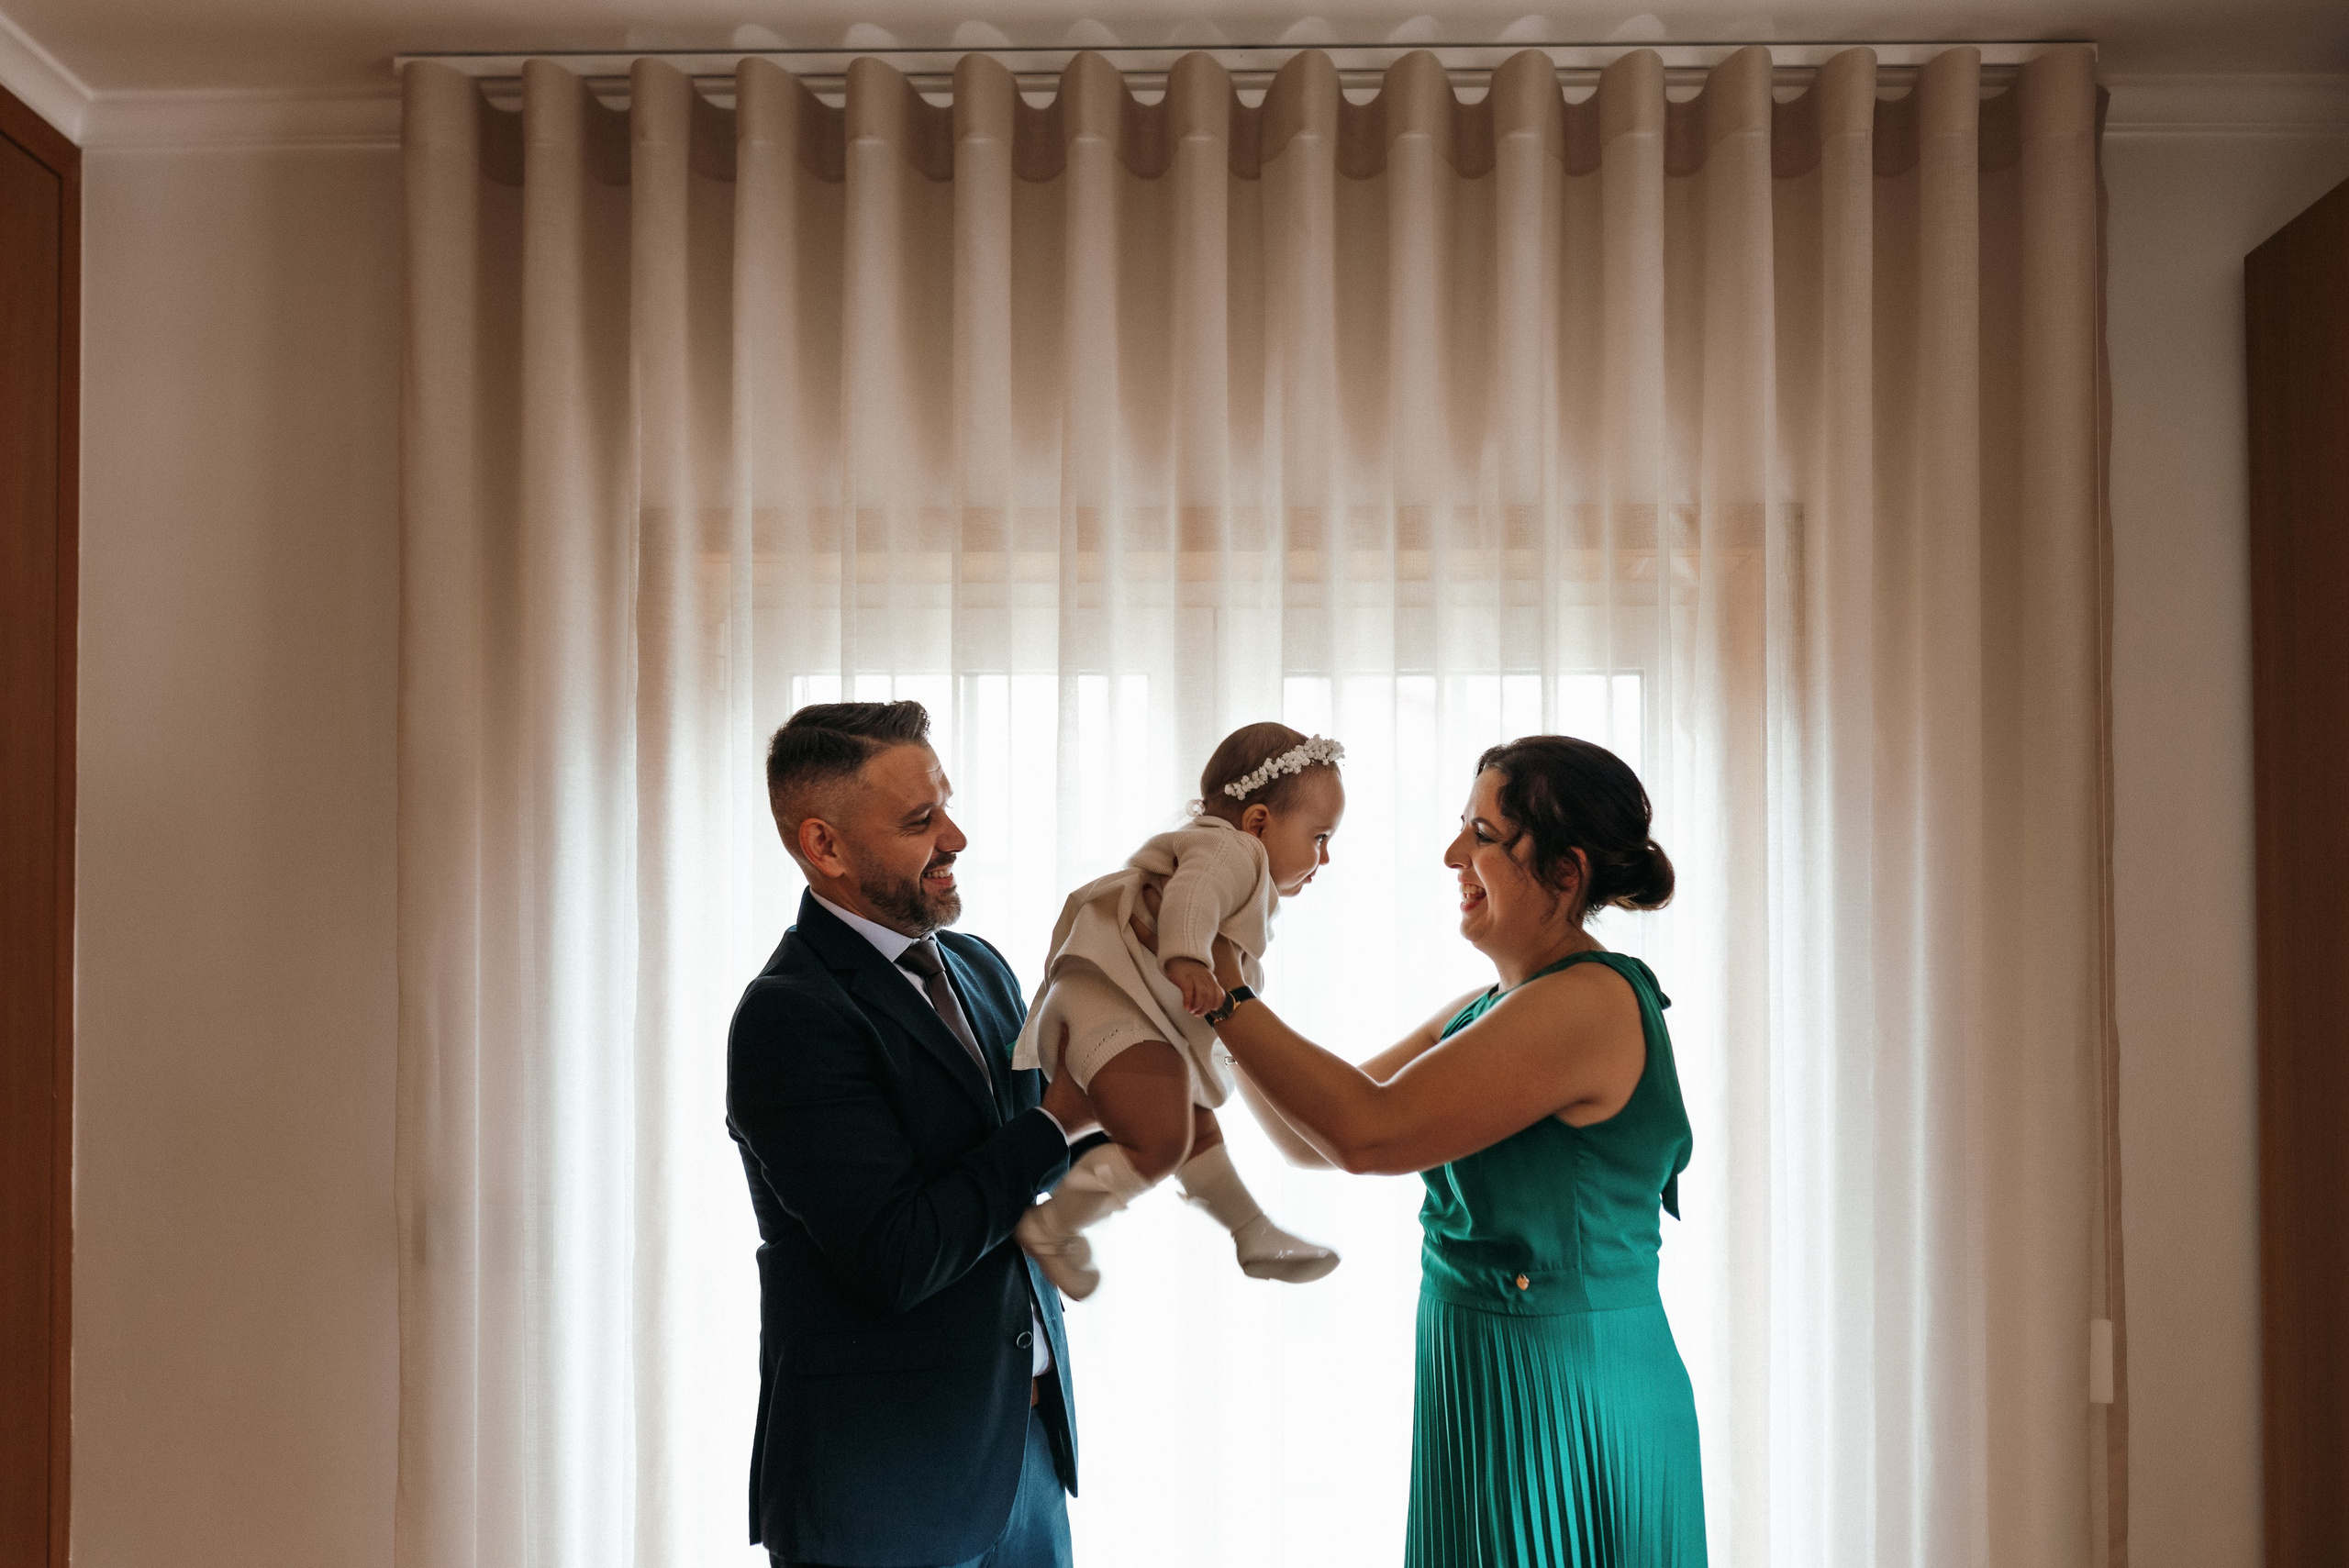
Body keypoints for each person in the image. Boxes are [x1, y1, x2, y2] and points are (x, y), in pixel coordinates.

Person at [1195, 735, 1707, 1566]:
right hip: (1483, 1384)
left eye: (1482, 833)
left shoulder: (1589, 1003)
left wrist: (1220, 984)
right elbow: (1313, 1136)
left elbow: (1370, 1132)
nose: (1451, 854)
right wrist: (1217, 1004)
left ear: (1565, 872)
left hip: (1565, 1398)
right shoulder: (1490, 1006)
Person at [727, 701, 1100, 1568]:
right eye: (919, 820)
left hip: (1023, 1457)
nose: (956, 836)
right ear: (823, 846)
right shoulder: (789, 1016)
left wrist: (1135, 1074)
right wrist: (1059, 1119)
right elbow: (897, 1252)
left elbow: (1035, 1161)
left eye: (947, 804)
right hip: (879, 1492)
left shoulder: (978, 965)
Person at [1011, 723, 1345, 1298]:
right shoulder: (1232, 849)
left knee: (1191, 1121)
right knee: (1162, 1140)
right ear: (1259, 821)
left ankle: (1251, 1231)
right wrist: (1188, 959)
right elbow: (1193, 897)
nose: (1326, 857)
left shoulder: (1223, 850)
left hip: (1118, 1006)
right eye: (1319, 837)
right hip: (1107, 1005)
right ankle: (1053, 1225)